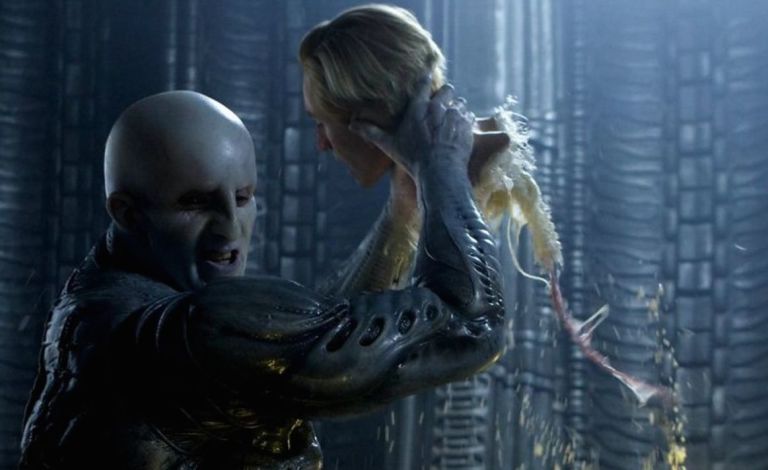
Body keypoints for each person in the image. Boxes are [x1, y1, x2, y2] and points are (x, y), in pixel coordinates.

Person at [20, 82, 505, 467]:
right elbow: (470, 324)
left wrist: (401, 216)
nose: (229, 230)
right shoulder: (189, 332)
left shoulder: (95, 300)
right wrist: (440, 164)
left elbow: (297, 337)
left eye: (243, 197)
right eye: (195, 204)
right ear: (127, 213)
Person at [300, 4, 562, 296]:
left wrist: (440, 174)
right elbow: (330, 317)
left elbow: (467, 319)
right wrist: (411, 198)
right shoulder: (411, 196)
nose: (321, 144)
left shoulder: (487, 177)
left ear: (370, 118)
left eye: (322, 123)